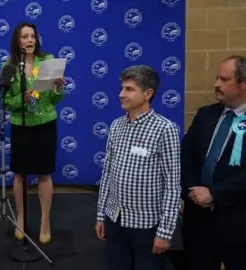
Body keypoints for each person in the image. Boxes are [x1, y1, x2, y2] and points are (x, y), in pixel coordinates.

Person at [95, 65, 181, 270]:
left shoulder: (164, 129)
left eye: (129, 89)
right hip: (114, 219)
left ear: (148, 93)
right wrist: (101, 215)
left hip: (146, 224)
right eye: (122, 88)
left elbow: (172, 184)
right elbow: (107, 172)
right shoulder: (116, 125)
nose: (121, 94)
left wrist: (165, 232)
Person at [181, 55, 246, 270]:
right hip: (198, 220)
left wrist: (214, 194)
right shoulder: (205, 114)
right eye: (217, 77)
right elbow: (185, 157)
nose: (217, 84)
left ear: (243, 85)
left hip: (237, 222)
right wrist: (192, 190)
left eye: (224, 79)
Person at [2, 22, 65, 245]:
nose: (29, 40)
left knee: (45, 173)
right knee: (20, 173)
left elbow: (56, 100)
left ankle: (45, 221)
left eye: (32, 36)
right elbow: (8, 103)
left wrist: (58, 87)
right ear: (17, 41)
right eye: (25, 36)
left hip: (46, 123)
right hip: (21, 126)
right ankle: (21, 217)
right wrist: (23, 98)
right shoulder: (8, 67)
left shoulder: (47, 61)